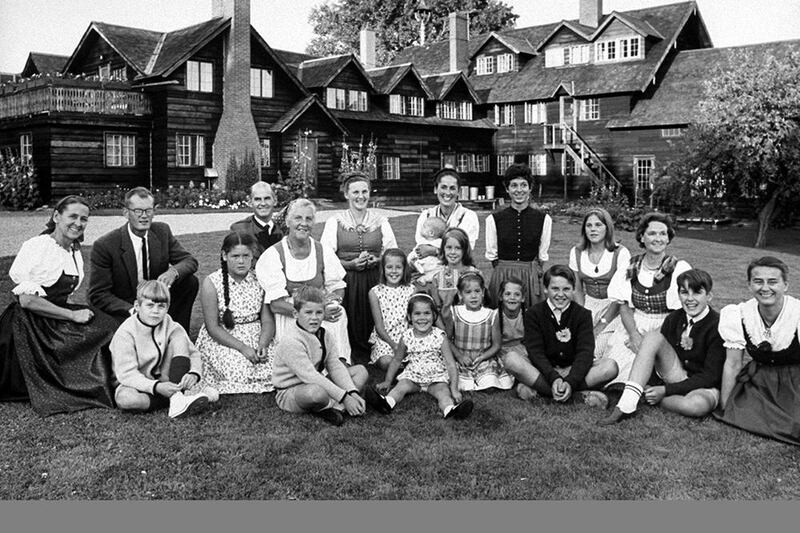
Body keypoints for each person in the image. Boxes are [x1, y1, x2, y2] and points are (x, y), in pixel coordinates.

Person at [0, 196, 117, 416]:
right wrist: (71, 317)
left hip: (55, 316)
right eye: (72, 216)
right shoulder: (38, 246)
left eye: (84, 219)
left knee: (108, 325)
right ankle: (89, 382)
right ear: (56, 216)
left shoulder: (73, 251)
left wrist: (73, 311)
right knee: (97, 333)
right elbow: (26, 300)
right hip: (30, 323)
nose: (78, 223)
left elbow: (64, 294)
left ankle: (115, 378)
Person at [598, 269, 725, 425]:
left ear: (709, 296)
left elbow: (710, 376)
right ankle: (626, 405)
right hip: (676, 374)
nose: (690, 299)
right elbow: (658, 355)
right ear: (678, 295)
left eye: (697, 293)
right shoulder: (674, 318)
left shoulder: (719, 325)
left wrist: (665, 391)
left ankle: (648, 396)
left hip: (703, 385)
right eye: (684, 293)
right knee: (652, 337)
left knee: (695, 406)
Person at [713, 257, 800, 446]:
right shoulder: (739, 313)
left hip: (795, 383)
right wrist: (725, 405)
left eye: (773, 282)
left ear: (786, 285)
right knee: (741, 412)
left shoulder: (797, 314)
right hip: (760, 381)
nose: (765, 288)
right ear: (749, 285)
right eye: (758, 281)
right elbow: (733, 363)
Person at [89, 187, 199, 332]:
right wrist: (133, 310)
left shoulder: (161, 231)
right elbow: (98, 294)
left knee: (189, 282)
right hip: (127, 303)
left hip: (156, 298)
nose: (144, 216)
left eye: (148, 210)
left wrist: (173, 272)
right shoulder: (105, 245)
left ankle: (177, 335)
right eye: (138, 211)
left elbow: (189, 261)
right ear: (126, 213)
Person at [600, 212, 691, 387]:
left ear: (668, 238)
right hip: (636, 322)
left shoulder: (679, 268)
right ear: (642, 237)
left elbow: (681, 311)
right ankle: (620, 386)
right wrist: (634, 335)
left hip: (667, 326)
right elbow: (624, 306)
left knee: (653, 357)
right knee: (621, 358)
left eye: (663, 233)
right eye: (652, 233)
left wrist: (649, 340)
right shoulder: (631, 267)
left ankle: (644, 385)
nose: (658, 238)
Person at [256, 199, 351, 363]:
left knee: (339, 315)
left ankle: (339, 363)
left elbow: (337, 286)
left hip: (320, 308)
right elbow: (276, 304)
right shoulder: (274, 254)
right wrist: (313, 312)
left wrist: (331, 304)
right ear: (287, 221)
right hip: (290, 312)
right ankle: (305, 367)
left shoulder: (322, 250)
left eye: (308, 219)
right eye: (298, 218)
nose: (303, 223)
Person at [111, 280, 219, 419]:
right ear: (137, 306)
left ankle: (178, 397)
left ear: (167, 307)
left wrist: (194, 373)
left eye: (161, 306)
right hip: (138, 384)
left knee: (179, 337)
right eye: (150, 305)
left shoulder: (171, 325)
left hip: (167, 377)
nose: (155, 311)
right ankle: (179, 398)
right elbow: (127, 375)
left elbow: (193, 353)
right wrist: (156, 387)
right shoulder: (125, 333)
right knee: (125, 399)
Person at [321, 172, 397, 359]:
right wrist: (350, 264)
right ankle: (348, 349)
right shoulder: (335, 222)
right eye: (355, 192)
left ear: (370, 193)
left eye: (364, 191)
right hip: (346, 279)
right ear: (346, 194)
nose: (360, 196)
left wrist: (378, 260)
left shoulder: (381, 221)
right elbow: (325, 257)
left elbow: (392, 252)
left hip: (375, 278)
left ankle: (376, 347)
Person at [518, 265, 618, 407]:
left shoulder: (583, 314)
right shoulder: (533, 313)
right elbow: (535, 351)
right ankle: (577, 396)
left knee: (610, 367)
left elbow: (586, 353)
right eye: (555, 289)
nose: (560, 294)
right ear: (545, 289)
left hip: (573, 369)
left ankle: (545, 392)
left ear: (573, 290)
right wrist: (554, 378)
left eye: (566, 289)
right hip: (545, 369)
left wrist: (570, 381)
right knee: (511, 360)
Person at [271, 286, 370, 426]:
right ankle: (335, 406)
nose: (314, 318)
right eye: (308, 312)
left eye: (319, 313)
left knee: (360, 371)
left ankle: (336, 407)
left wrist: (351, 392)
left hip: (317, 381)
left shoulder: (325, 334)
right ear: (295, 314)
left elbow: (335, 365)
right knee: (316, 393)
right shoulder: (291, 340)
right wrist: (344, 397)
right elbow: (310, 376)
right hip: (292, 391)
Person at [369, 293, 473, 419]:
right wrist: (387, 381)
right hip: (413, 377)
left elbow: (451, 364)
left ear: (434, 315)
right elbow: (396, 360)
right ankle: (386, 403)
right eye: (417, 313)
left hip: (436, 378)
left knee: (444, 393)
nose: (422, 318)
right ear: (409, 317)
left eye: (426, 313)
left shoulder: (440, 336)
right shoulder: (406, 336)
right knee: (400, 387)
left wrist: (454, 389)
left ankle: (451, 410)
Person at [195, 232, 275, 394]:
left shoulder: (260, 279)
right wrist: (243, 348)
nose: (241, 261)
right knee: (237, 368)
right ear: (224, 256)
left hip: (256, 333)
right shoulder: (212, 282)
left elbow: (267, 319)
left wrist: (263, 344)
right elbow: (213, 327)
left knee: (274, 364)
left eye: (246, 256)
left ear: (252, 256)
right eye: (235, 256)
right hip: (225, 336)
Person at [485, 164, 552, 308]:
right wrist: (505, 270)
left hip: (530, 275)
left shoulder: (543, 219)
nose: (519, 190)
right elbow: (493, 257)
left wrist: (529, 272)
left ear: (530, 188)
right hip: (503, 275)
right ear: (507, 189)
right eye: (514, 185)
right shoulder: (494, 219)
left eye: (523, 185)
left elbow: (542, 257)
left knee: (532, 320)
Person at [569, 208, 631, 355]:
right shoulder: (577, 252)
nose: (593, 229)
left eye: (598, 225)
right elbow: (577, 289)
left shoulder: (620, 253)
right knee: (572, 345)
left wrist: (601, 324)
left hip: (615, 309)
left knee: (597, 348)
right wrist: (583, 316)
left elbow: (621, 296)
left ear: (607, 228)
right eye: (589, 226)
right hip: (587, 305)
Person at [448, 271, 513, 391]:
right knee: (458, 382)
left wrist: (483, 357)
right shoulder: (455, 313)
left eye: (477, 291)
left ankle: (485, 379)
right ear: (460, 294)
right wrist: (459, 355)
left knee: (490, 384)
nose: (473, 296)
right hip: (461, 359)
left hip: (484, 359)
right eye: (468, 292)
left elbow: (497, 345)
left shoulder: (491, 315)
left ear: (483, 292)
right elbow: (447, 339)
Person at [419, 227, 480, 332]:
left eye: (458, 248)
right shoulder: (438, 278)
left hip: (472, 329)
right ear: (443, 249)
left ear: (465, 250)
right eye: (449, 247)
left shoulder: (475, 274)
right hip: (446, 330)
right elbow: (436, 309)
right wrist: (443, 330)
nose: (453, 252)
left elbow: (482, 305)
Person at [368, 248, 416, 370]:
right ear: (383, 269)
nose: (394, 271)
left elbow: (412, 322)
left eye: (398, 267)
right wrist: (394, 345)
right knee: (386, 361)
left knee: (417, 358)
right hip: (386, 339)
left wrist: (406, 343)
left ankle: (403, 367)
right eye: (389, 267)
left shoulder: (411, 290)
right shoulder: (375, 292)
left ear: (404, 269)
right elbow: (379, 327)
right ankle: (399, 367)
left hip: (406, 338)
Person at [415, 168, 480, 250]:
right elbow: (421, 246)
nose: (448, 193)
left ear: (458, 192)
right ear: (435, 189)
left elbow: (464, 249)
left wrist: (433, 251)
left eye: (452, 188)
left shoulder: (468, 216)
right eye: (443, 187)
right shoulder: (426, 216)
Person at [229, 181, 283, 258]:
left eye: (267, 198)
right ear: (250, 202)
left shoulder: (284, 229)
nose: (263, 203)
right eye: (258, 199)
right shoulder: (240, 230)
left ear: (275, 200)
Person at [495, 277, 528, 388]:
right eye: (507, 294)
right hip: (500, 350)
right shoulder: (495, 316)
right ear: (501, 296)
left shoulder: (527, 315)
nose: (512, 298)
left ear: (523, 298)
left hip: (521, 349)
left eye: (517, 295)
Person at [408, 216, 446, 284]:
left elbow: (444, 251)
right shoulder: (422, 242)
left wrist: (434, 251)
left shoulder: (439, 242)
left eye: (424, 227)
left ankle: (424, 279)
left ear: (431, 233)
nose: (421, 228)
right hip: (422, 266)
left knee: (437, 273)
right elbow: (415, 251)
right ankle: (422, 278)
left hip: (435, 267)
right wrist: (409, 259)